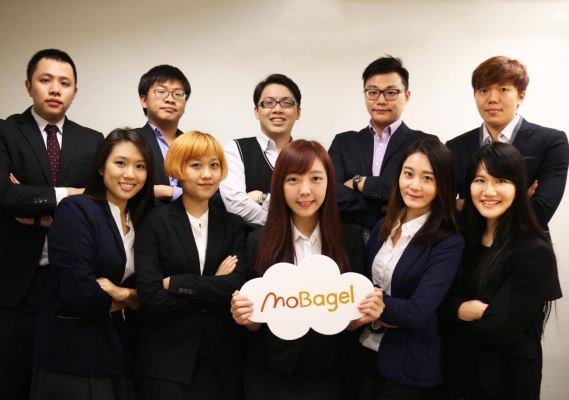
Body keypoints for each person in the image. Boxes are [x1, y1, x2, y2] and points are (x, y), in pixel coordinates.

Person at [0, 48, 104, 400]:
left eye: (65, 83)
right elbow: (2, 195)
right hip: (11, 280)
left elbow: (100, 203)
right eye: (46, 80)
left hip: (69, 278)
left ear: (75, 91)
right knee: (9, 382)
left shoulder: (93, 140)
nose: (55, 89)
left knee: (64, 383)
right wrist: (70, 193)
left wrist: (36, 212)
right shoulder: (0, 131)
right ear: (29, 86)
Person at [231, 140, 384, 400]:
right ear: (279, 185)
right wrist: (245, 317)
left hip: (327, 372)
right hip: (267, 370)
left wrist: (362, 316)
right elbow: (255, 322)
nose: (305, 190)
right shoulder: (257, 241)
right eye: (293, 179)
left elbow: (348, 321)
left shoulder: (348, 240)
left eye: (316, 178)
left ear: (329, 183)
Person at [30, 128, 155, 400]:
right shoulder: (76, 210)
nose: (130, 174)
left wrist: (125, 294)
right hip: (72, 353)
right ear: (100, 167)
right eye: (120, 163)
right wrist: (135, 299)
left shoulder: (142, 220)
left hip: (117, 350)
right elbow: (81, 294)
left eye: (140, 166)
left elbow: (152, 294)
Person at [134, 131, 247, 400]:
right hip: (166, 361)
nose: (207, 174)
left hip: (223, 360)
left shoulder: (232, 224)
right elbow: (151, 298)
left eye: (214, 165)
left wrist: (178, 283)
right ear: (178, 169)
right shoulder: (154, 221)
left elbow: (238, 285)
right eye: (196, 165)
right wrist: (213, 288)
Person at [439, 143, 557, 400]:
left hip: (504, 382)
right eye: (479, 180)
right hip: (453, 375)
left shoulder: (534, 251)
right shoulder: (461, 239)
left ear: (519, 186)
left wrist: (441, 313)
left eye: (501, 180)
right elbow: (435, 301)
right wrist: (459, 309)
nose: (488, 191)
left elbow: (497, 330)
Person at [353, 139, 464, 399]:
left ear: (443, 185)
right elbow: (361, 285)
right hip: (362, 352)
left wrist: (374, 306)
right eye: (408, 174)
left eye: (428, 178)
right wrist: (378, 308)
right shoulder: (383, 225)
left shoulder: (448, 242)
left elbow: (417, 312)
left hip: (407, 366)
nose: (414, 185)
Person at [445, 56, 569, 235]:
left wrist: (467, 205)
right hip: (470, 247)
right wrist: (520, 201)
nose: (492, 98)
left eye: (503, 89)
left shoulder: (551, 141)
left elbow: (541, 210)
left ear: (521, 96)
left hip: (527, 246)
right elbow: (443, 209)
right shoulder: (456, 146)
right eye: (483, 90)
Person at [329, 56, 437, 242]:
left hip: (405, 243)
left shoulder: (425, 143)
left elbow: (419, 191)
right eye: (373, 92)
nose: (380, 100)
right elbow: (329, 191)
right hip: (346, 244)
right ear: (365, 95)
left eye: (390, 93)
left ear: (406, 96)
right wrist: (380, 208)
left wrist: (360, 182)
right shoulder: (343, 142)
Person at [220, 74, 302, 228]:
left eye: (286, 103)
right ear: (256, 111)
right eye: (268, 103)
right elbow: (236, 206)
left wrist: (262, 198)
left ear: (298, 112)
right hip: (250, 243)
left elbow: (317, 206)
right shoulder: (234, 149)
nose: (277, 109)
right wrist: (294, 225)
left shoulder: (309, 156)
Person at [137, 64, 190, 204]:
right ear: (144, 100)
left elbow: (214, 195)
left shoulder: (195, 145)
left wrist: (169, 192)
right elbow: (114, 189)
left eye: (178, 94)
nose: (170, 99)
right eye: (161, 92)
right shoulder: (128, 141)